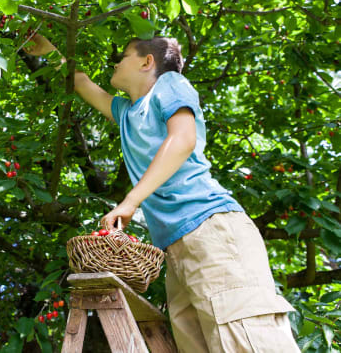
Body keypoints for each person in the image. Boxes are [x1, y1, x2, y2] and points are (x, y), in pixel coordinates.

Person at [25, 33, 301, 353]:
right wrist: (50, 50)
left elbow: (182, 140)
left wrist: (130, 201)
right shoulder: (127, 113)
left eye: (124, 55)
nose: (116, 61)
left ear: (147, 62)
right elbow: (82, 82)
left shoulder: (168, 84)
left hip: (212, 231)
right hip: (175, 249)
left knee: (246, 342)